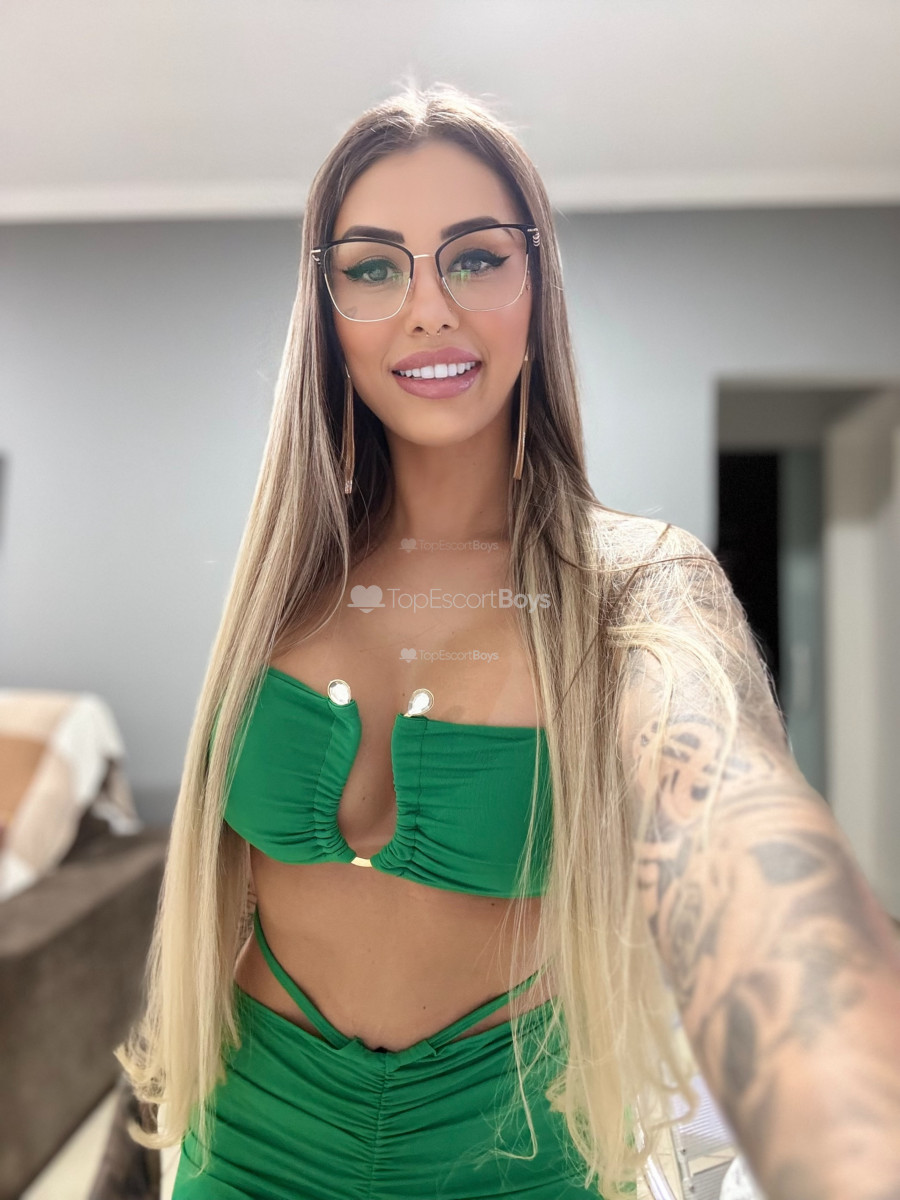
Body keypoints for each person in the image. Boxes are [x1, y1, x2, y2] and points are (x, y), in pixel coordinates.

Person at [115, 84, 900, 1200]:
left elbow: (731, 812)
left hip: (520, 1154)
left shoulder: (634, 583)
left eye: (476, 258)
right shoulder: (282, 587)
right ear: (328, 313)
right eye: (374, 268)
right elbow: (200, 919)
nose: (428, 308)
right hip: (249, 1140)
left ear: (537, 285)